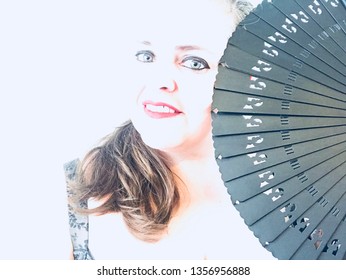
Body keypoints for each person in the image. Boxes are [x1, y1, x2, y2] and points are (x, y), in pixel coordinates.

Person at [65, 0, 273, 259]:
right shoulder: (71, 192)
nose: (159, 80)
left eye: (194, 63)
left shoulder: (301, 212)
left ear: (247, 80)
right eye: (147, 56)